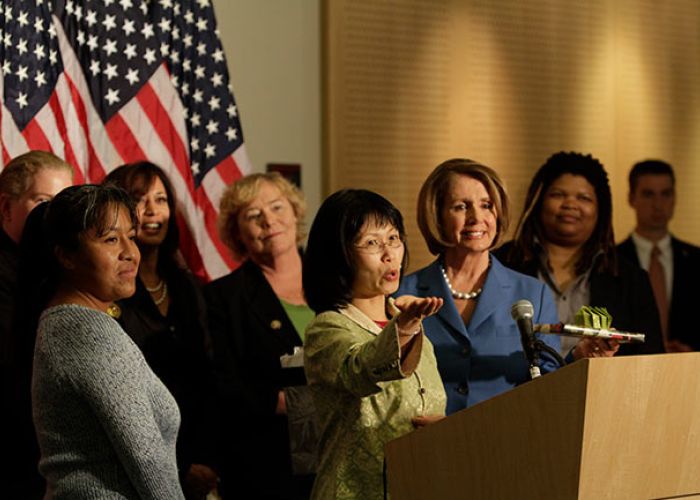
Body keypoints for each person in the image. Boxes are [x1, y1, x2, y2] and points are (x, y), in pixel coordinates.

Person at [29, 184, 184, 498]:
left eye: (131, 236)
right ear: (66, 256)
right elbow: (146, 457)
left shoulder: (68, 321)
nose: (130, 252)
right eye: (111, 239)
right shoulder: (87, 332)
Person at [303, 188, 445, 500]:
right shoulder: (327, 328)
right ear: (339, 254)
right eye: (371, 243)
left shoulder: (412, 324)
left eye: (393, 238)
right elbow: (360, 369)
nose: (389, 253)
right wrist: (404, 329)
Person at [398, 158, 565, 415]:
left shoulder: (534, 294)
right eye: (461, 207)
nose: (476, 218)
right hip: (424, 444)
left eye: (486, 206)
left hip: (507, 444)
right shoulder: (402, 293)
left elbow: (550, 383)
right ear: (438, 216)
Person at [103, 162, 220, 498]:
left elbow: (209, 380)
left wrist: (206, 459)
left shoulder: (190, 287)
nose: (153, 211)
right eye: (140, 199)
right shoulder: (109, 292)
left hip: (203, 458)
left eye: (162, 199)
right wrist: (180, 466)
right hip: (136, 468)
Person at [204, 172, 315, 499]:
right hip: (268, 464)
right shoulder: (222, 299)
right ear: (238, 234)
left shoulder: (338, 282)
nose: (269, 221)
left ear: (295, 213)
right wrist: (306, 404)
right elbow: (223, 383)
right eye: (254, 216)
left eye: (277, 207)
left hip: (347, 450)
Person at [498, 151, 664, 356]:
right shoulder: (500, 264)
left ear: (600, 210)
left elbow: (650, 357)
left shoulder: (631, 279)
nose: (570, 204)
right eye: (558, 194)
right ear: (539, 201)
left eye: (584, 198)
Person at [0, 150, 73, 499]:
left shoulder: (58, 271)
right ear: (6, 209)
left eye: (63, 202)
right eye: (42, 201)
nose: (54, 215)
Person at [617, 160, 700, 352]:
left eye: (666, 194)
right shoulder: (611, 260)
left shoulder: (696, 260)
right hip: (629, 368)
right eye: (648, 194)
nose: (658, 204)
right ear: (631, 198)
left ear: (674, 198)